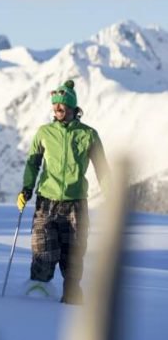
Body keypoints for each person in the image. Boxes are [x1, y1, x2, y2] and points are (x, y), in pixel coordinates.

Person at [16, 79, 110, 304]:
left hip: (76, 203)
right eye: (54, 104)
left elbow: (102, 167)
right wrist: (26, 188)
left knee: (74, 256)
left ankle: (71, 297)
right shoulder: (44, 132)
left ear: (72, 107)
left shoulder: (88, 135)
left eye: (62, 104)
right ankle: (37, 295)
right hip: (46, 201)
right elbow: (33, 163)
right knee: (43, 252)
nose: (57, 108)